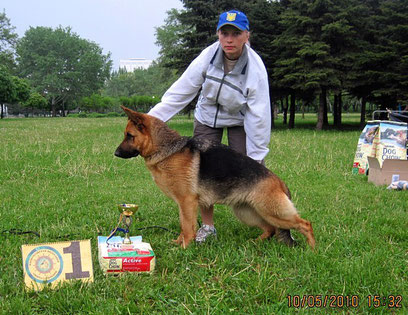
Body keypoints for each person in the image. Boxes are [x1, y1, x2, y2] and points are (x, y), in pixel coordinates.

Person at [148, 10, 272, 243]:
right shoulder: (207, 56)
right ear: (218, 34)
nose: (229, 39)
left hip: (239, 120)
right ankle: (207, 226)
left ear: (247, 36)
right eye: (224, 33)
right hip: (207, 118)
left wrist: (257, 156)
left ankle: (266, 219)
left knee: (248, 170)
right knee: (201, 171)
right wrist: (149, 121)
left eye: (236, 34)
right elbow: (181, 91)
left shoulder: (255, 68)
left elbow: (260, 116)